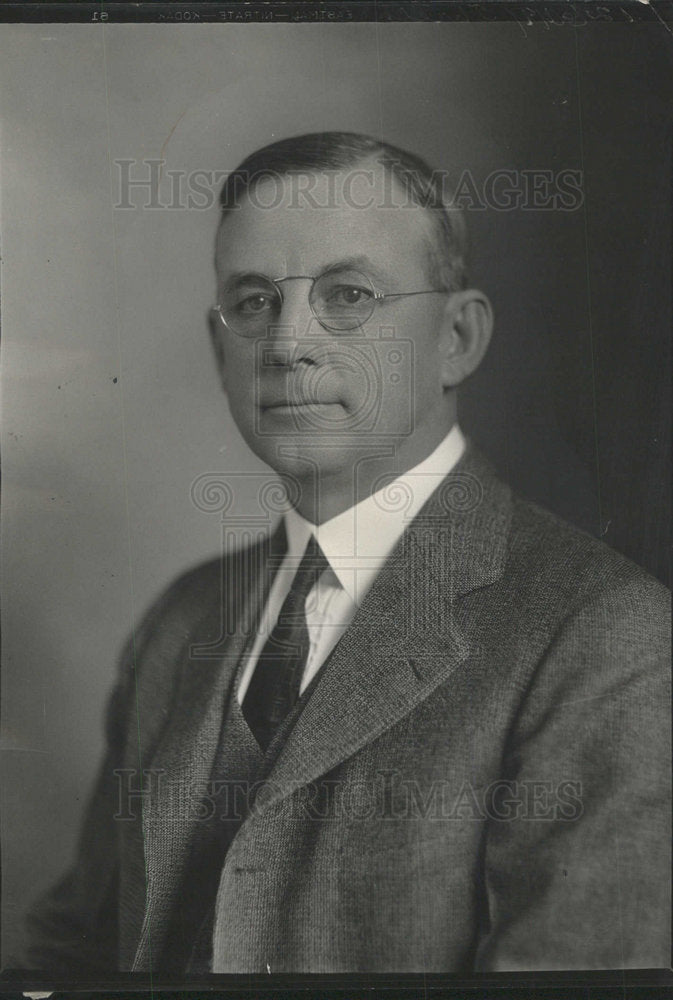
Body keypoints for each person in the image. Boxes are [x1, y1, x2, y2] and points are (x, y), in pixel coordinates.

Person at [14, 132, 670, 975]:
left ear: (456, 339)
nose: (288, 344)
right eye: (252, 303)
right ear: (221, 352)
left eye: (348, 295)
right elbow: (69, 953)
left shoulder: (607, 642)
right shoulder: (182, 621)